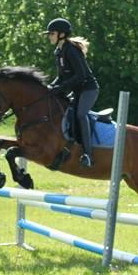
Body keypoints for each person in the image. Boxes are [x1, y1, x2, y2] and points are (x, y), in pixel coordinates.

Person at [43, 17, 99, 168]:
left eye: (52, 33)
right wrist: (50, 88)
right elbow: (61, 77)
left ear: (62, 34)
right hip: (77, 90)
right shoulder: (59, 52)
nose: (50, 36)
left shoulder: (72, 50)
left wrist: (60, 88)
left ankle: (88, 154)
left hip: (88, 89)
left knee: (80, 114)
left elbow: (81, 75)